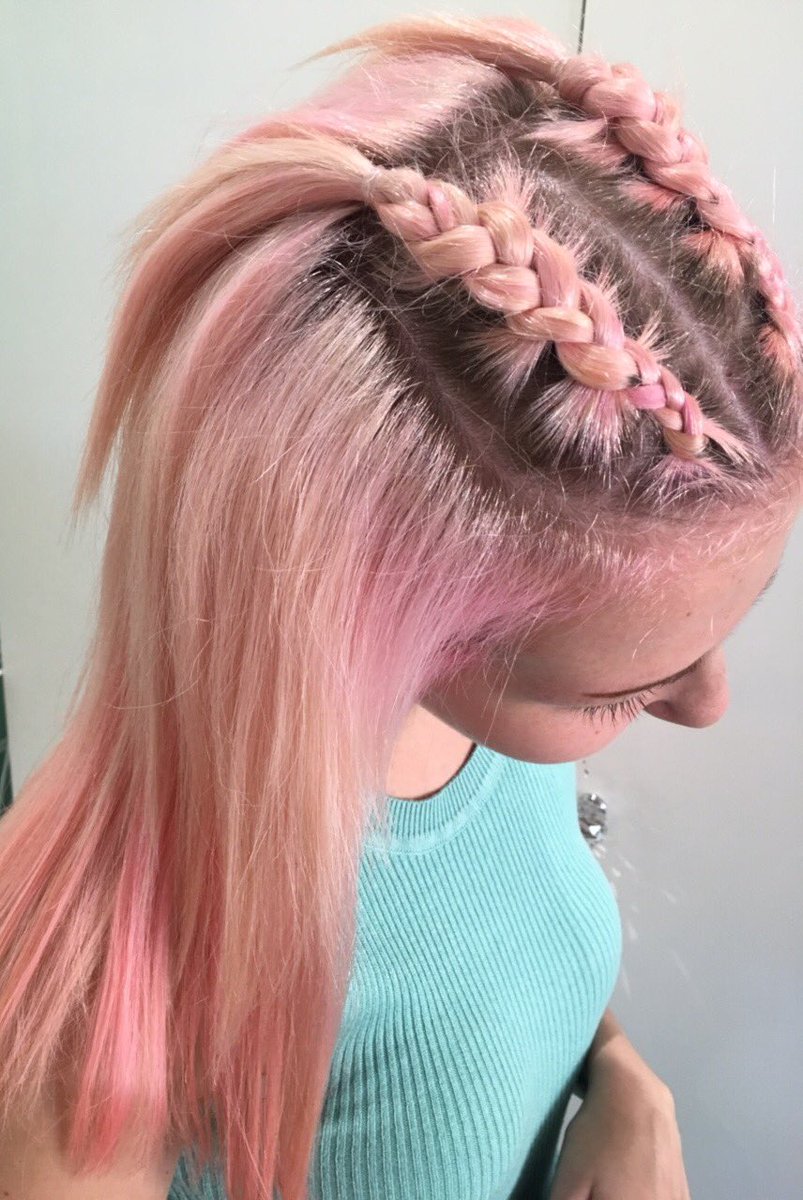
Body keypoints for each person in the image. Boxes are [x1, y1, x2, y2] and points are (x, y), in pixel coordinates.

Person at [1, 11, 801, 1200]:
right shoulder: (104, 993)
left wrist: (630, 1089)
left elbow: (503, 950)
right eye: (625, 688)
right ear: (402, 611)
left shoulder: (473, 708)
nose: (708, 702)